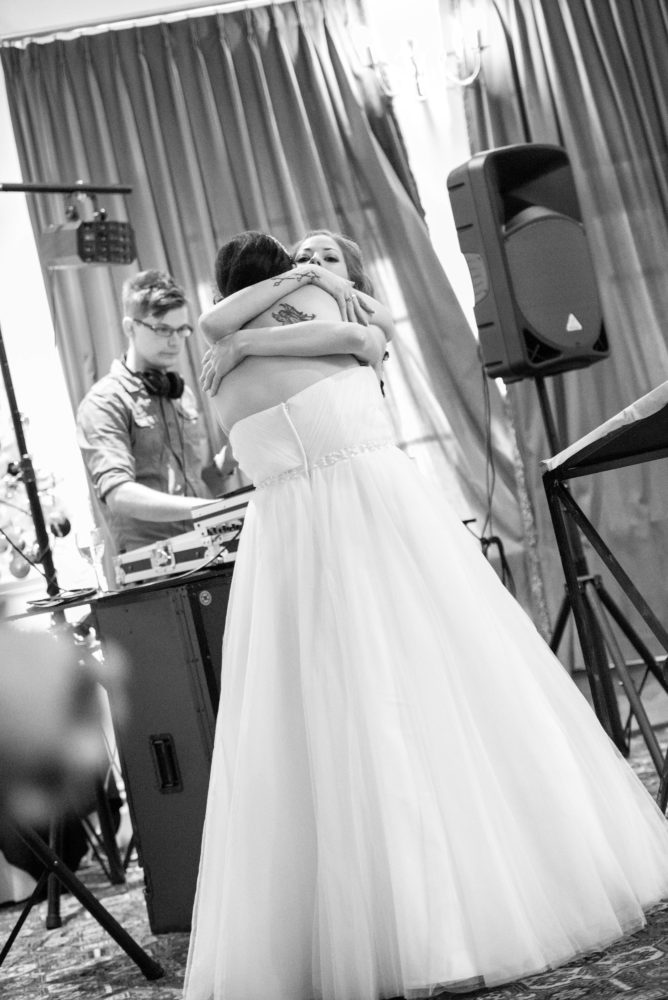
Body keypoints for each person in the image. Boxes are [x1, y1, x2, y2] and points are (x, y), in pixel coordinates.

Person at [184, 231, 668, 1000]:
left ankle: (359, 933)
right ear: (287, 277)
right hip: (382, 518)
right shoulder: (327, 321)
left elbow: (327, 333)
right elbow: (357, 339)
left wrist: (243, 339)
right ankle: (479, 904)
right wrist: (305, 311)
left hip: (287, 550)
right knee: (448, 692)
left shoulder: (225, 373)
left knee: (316, 729)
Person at [76, 269, 215, 562]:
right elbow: (119, 495)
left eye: (182, 330)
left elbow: (198, 481)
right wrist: (203, 509)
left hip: (206, 549)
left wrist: (229, 462)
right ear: (130, 328)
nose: (176, 341)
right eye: (163, 329)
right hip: (153, 568)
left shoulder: (181, 394)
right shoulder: (105, 402)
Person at [199, 228, 393, 399]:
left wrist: (241, 342)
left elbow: (362, 338)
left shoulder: (367, 316)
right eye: (302, 259)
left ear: (352, 279)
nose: (314, 261)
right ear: (288, 270)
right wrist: (310, 273)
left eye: (331, 258)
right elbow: (211, 323)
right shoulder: (265, 308)